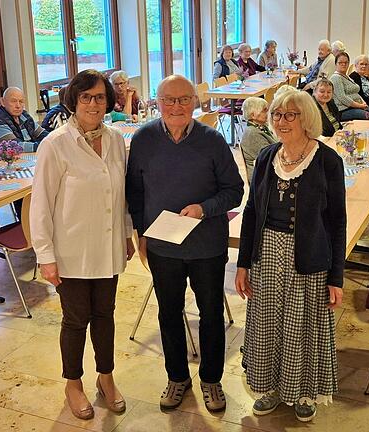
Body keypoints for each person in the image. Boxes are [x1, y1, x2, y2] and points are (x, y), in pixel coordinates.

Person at [126, 75, 244, 412]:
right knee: (168, 313)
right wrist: (140, 231)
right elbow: (134, 191)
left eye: (183, 99)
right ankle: (177, 377)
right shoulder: (144, 139)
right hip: (163, 245)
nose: (176, 106)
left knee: (210, 314)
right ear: (157, 101)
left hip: (206, 245)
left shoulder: (213, 141)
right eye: (168, 99)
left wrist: (204, 209)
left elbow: (234, 190)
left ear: (195, 101)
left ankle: (212, 380)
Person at [235, 86, 345, 423]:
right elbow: (252, 210)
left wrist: (336, 277)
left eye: (290, 115)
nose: (282, 121)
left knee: (304, 325)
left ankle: (303, 392)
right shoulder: (268, 156)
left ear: (306, 118)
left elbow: (338, 221)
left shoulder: (327, 160)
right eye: (277, 115)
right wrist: (242, 263)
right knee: (267, 322)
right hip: (266, 252)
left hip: (309, 254)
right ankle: (268, 386)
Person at [30, 70, 133, 421]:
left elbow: (122, 196)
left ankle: (106, 377)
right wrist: (45, 256)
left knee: (105, 315)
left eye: (100, 97)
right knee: (76, 320)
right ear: (74, 100)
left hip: (107, 247)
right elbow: (41, 205)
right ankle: (73, 384)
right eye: (86, 97)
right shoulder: (55, 144)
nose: (93, 103)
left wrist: (126, 233)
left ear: (109, 101)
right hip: (70, 252)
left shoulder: (117, 140)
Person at [0, 86, 48, 167]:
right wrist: (45, 145)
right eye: (13, 101)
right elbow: (16, 147)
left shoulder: (24, 116)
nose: (18, 105)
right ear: (3, 102)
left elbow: (44, 134)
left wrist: (52, 141)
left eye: (21, 101)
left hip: (19, 164)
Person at [240, 97, 277, 181]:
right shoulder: (252, 133)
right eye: (264, 111)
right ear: (253, 115)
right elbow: (269, 156)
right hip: (261, 176)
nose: (268, 113)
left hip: (267, 169)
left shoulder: (262, 127)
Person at [329, 52, 369, 121]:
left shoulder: (347, 77)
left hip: (356, 107)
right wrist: (359, 106)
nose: (343, 64)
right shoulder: (336, 77)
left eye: (346, 62)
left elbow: (357, 93)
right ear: (336, 64)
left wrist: (363, 103)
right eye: (340, 62)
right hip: (344, 110)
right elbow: (342, 97)